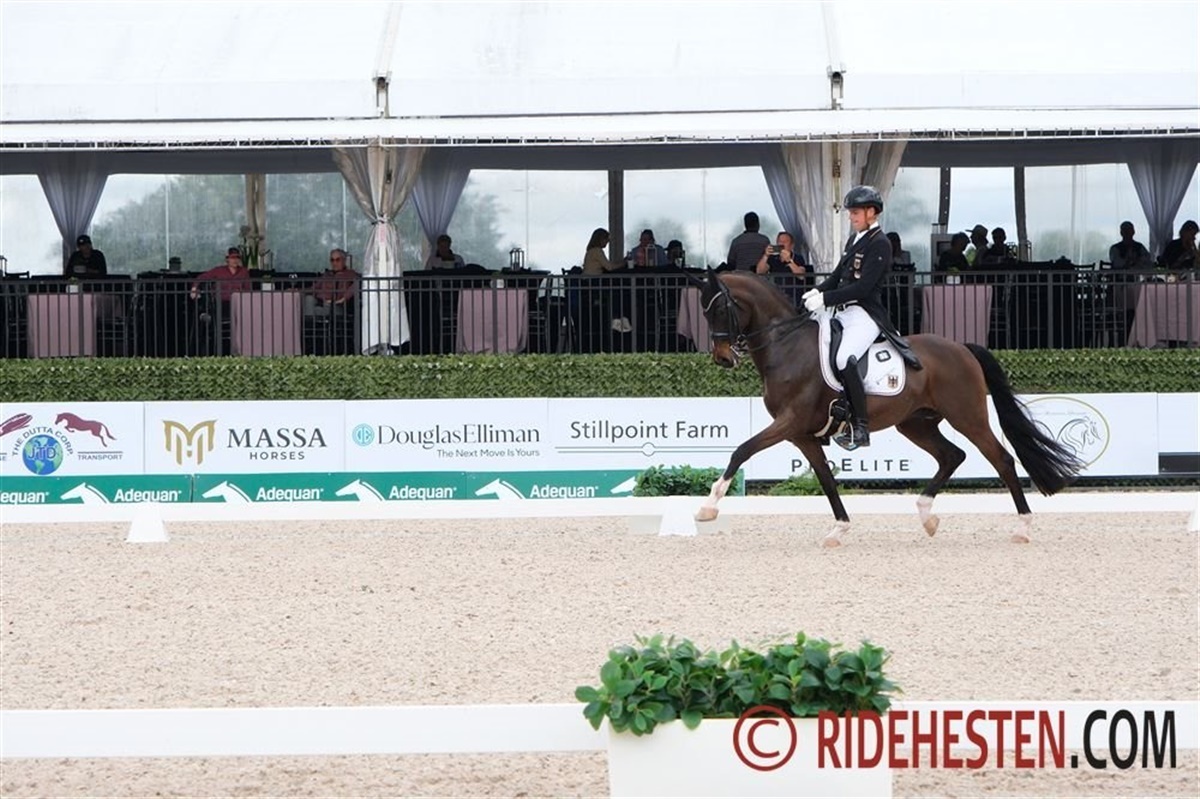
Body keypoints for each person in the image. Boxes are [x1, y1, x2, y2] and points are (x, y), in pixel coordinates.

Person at [802, 185, 915, 451]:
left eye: (855, 212)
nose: (851, 217)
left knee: (844, 358)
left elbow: (863, 288)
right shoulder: (854, 240)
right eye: (851, 212)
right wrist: (817, 290)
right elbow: (837, 276)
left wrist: (826, 299)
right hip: (843, 312)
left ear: (871, 212)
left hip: (865, 314)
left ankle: (861, 427)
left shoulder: (880, 243)